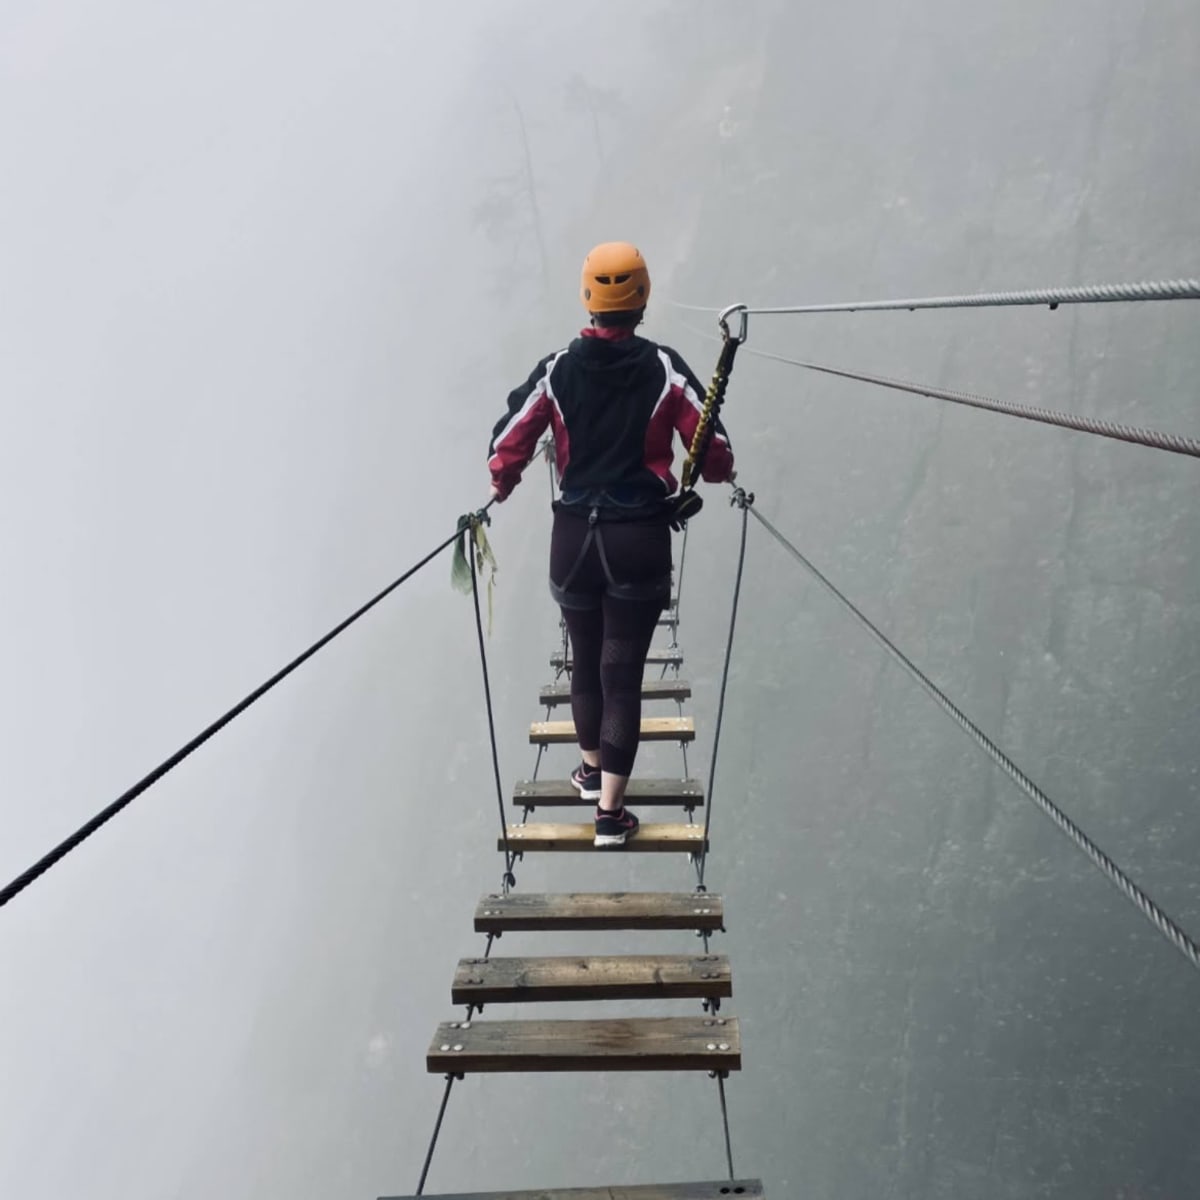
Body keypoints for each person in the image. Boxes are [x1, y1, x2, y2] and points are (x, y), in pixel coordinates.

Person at [487, 242, 734, 846]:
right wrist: (704, 471)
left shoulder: (557, 369)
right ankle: (610, 815)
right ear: (643, 297)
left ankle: (590, 771)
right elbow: (717, 455)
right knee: (621, 671)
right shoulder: (666, 369)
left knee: (585, 661)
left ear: (588, 299)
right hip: (636, 540)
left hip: (572, 539)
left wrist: (500, 486)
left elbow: (507, 447)